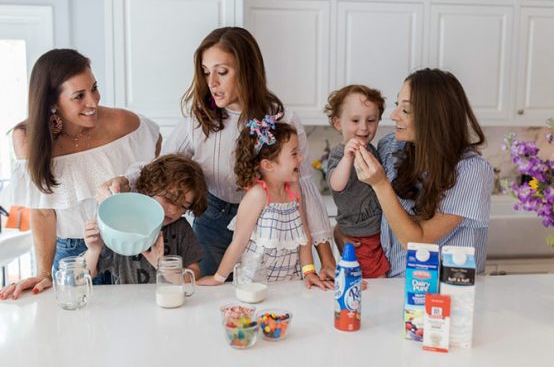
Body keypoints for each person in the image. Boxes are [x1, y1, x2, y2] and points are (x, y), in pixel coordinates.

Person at [99, 27, 336, 282]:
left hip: (265, 226)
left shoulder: (281, 120)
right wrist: (126, 181)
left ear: (246, 70)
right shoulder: (199, 119)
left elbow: (305, 187)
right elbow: (161, 168)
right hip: (211, 223)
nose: (211, 82)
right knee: (210, 299)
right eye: (205, 72)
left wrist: (327, 260)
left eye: (222, 72)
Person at [0, 49, 161, 300]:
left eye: (94, 88)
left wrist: (129, 182)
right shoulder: (28, 138)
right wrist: (43, 272)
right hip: (71, 254)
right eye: (79, 96)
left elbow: (155, 156)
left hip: (127, 247)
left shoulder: (123, 123)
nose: (93, 102)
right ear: (52, 103)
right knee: (74, 332)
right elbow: (43, 210)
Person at [353, 68, 494, 277]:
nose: (393, 116)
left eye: (406, 110)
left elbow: (417, 242)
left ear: (433, 117)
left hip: (446, 291)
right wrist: (344, 233)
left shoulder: (471, 170)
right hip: (391, 284)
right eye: (396, 106)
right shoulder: (391, 147)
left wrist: (380, 184)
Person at [198, 116, 326, 288]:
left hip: (289, 283)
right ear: (268, 165)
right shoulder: (258, 195)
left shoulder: (293, 189)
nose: (301, 158)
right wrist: (217, 278)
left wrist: (309, 271)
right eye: (294, 153)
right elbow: (238, 243)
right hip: (254, 285)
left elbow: (304, 235)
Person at [84, 154, 206, 283]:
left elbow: (195, 277)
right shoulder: (120, 227)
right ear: (149, 189)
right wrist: (93, 250)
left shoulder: (181, 229)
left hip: (170, 300)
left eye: (183, 206)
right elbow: (81, 278)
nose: (174, 210)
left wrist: (163, 266)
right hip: (130, 302)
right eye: (169, 198)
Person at [325, 85, 390, 278]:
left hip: (377, 231)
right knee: (371, 281)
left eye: (371, 120)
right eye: (355, 120)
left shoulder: (372, 149)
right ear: (338, 123)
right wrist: (348, 158)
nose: (364, 127)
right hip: (358, 236)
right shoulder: (339, 153)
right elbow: (337, 185)